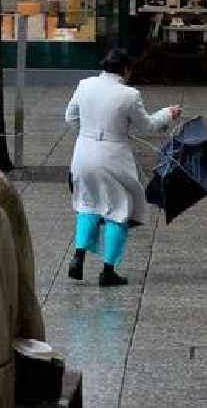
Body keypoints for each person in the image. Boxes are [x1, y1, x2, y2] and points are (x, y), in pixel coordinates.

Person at [65, 49, 182, 286]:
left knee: (88, 204)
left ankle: (78, 257)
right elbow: (148, 125)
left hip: (83, 153)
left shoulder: (85, 84)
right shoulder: (129, 94)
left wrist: (89, 133)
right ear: (126, 69)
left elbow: (70, 118)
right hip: (112, 157)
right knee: (118, 210)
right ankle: (108, 271)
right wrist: (168, 114)